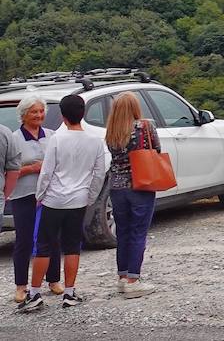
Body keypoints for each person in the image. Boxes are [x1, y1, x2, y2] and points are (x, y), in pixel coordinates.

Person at [17, 94, 107, 313]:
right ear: (83, 114)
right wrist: (90, 197)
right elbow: (99, 174)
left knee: (44, 247)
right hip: (78, 199)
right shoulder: (95, 141)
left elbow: (47, 172)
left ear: (63, 116)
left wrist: (40, 196)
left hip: (54, 199)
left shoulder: (57, 139)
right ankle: (69, 292)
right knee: (73, 246)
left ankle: (35, 293)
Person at [6, 96, 63, 304]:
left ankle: (54, 280)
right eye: (34, 112)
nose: (39, 115)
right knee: (24, 239)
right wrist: (31, 168)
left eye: (41, 111)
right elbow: (7, 170)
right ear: (23, 115)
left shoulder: (51, 136)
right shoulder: (13, 140)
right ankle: (21, 286)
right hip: (24, 195)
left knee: (52, 238)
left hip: (49, 196)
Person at [105, 92, 161, 297]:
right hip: (140, 184)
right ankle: (133, 279)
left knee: (123, 232)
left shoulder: (111, 132)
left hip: (116, 187)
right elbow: (156, 149)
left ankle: (122, 276)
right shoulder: (144, 126)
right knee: (139, 231)